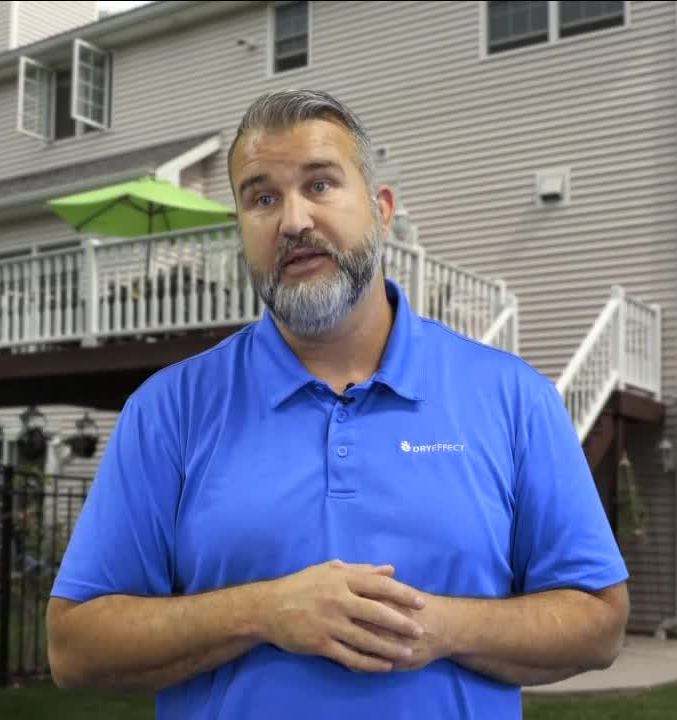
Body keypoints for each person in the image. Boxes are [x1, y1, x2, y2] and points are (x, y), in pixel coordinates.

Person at [47, 89, 629, 719]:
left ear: (382, 211)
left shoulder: (514, 399)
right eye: (262, 198)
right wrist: (262, 611)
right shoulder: (169, 410)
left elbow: (598, 621)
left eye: (320, 185)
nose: (293, 220)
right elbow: (76, 645)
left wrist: (440, 627)